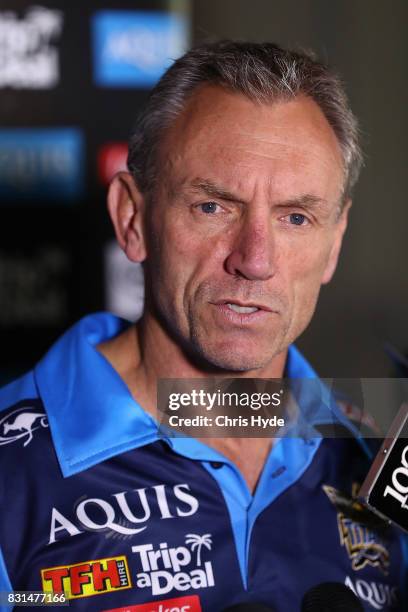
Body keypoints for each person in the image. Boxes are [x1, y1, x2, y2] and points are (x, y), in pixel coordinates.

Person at [0, 41, 406, 612]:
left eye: (295, 217)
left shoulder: (375, 458)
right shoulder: (13, 472)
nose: (255, 259)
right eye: (213, 206)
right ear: (132, 219)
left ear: (334, 243)